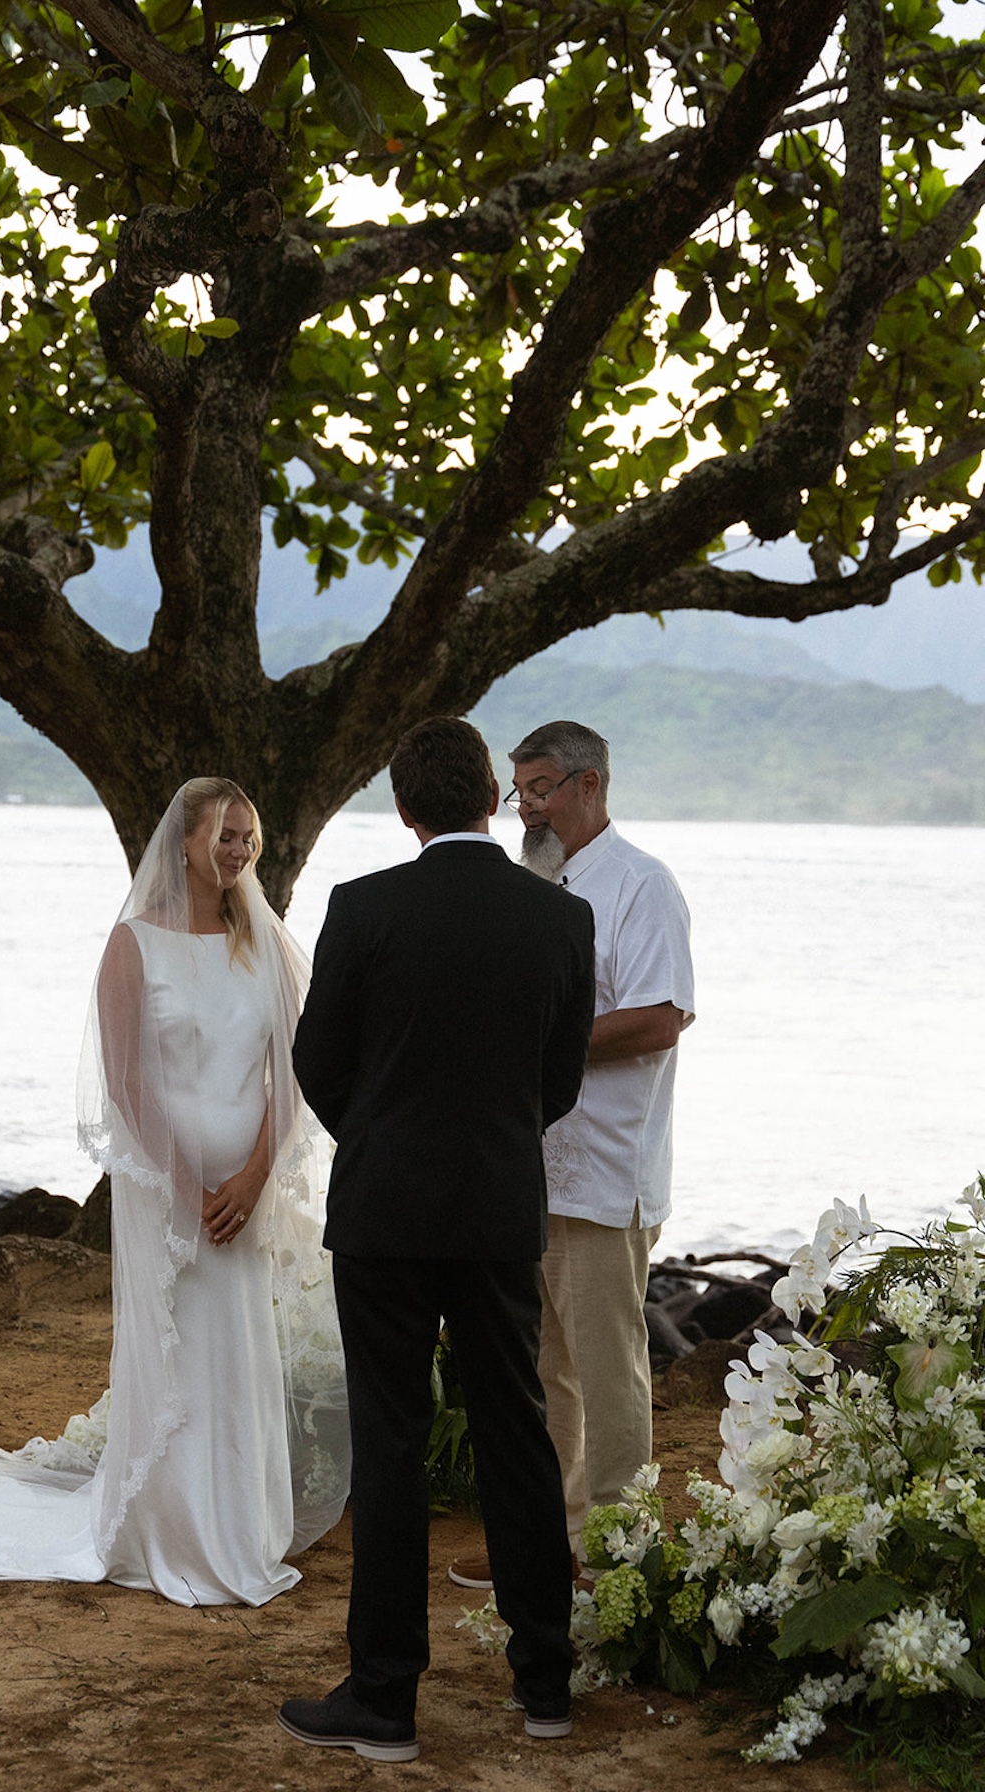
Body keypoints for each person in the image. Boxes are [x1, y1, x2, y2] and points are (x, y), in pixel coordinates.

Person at [0, 778, 350, 1607]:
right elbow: (125, 1080)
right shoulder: (133, 945)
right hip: (166, 1187)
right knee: (180, 1347)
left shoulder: (266, 944)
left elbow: (294, 1073)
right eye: (224, 833)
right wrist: (189, 1186)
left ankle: (242, 1526)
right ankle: (170, 1528)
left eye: (248, 835)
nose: (238, 849)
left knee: (239, 1344)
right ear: (182, 843)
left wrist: (252, 1178)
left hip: (245, 1191)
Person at [278, 718, 595, 1763]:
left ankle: (384, 1701)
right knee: (514, 1431)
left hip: (384, 1211)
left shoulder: (362, 908)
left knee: (390, 1441)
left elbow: (318, 1062)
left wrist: (379, 1137)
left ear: (404, 811)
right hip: (499, 1206)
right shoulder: (558, 918)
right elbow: (558, 1082)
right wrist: (490, 1143)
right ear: (491, 803)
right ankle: (544, 1682)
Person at [448, 721, 694, 1589]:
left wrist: (543, 1042)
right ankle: (547, 1539)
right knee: (543, 1368)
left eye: (544, 786)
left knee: (606, 1366)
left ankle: (622, 1553)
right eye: (520, 790)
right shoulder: (534, 885)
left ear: (592, 785)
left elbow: (663, 1018)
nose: (529, 807)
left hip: (604, 1172)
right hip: (529, 1163)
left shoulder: (641, 887)